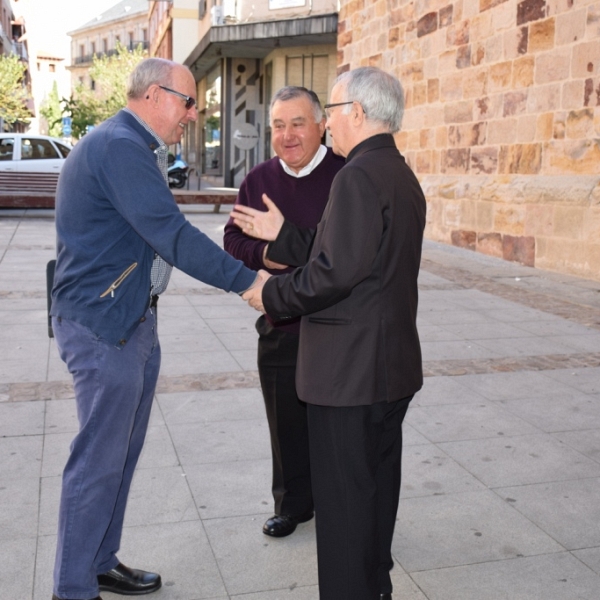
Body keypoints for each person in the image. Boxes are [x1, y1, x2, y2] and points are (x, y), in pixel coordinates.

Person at [50, 58, 266, 600]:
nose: (193, 114)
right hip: (105, 327)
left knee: (119, 456)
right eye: (187, 102)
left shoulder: (133, 145)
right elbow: (171, 234)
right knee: (98, 462)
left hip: (130, 317)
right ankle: (72, 589)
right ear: (152, 95)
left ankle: (99, 561)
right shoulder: (120, 146)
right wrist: (247, 282)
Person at [237, 67, 426, 600]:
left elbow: (333, 274)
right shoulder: (396, 172)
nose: (330, 125)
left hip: (348, 376)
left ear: (358, 114)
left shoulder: (357, 175)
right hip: (388, 368)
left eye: (334, 112)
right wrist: (287, 238)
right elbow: (354, 254)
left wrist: (269, 296)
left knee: (343, 513)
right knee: (374, 496)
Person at [224, 86, 345, 537]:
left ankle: (338, 503)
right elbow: (232, 241)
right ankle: (292, 505)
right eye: (278, 125)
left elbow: (345, 251)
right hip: (281, 325)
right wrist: (267, 257)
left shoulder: (346, 176)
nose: (288, 134)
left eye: (297, 123)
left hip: (334, 328)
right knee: (286, 423)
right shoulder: (258, 180)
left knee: (334, 427)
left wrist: (287, 239)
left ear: (321, 125)